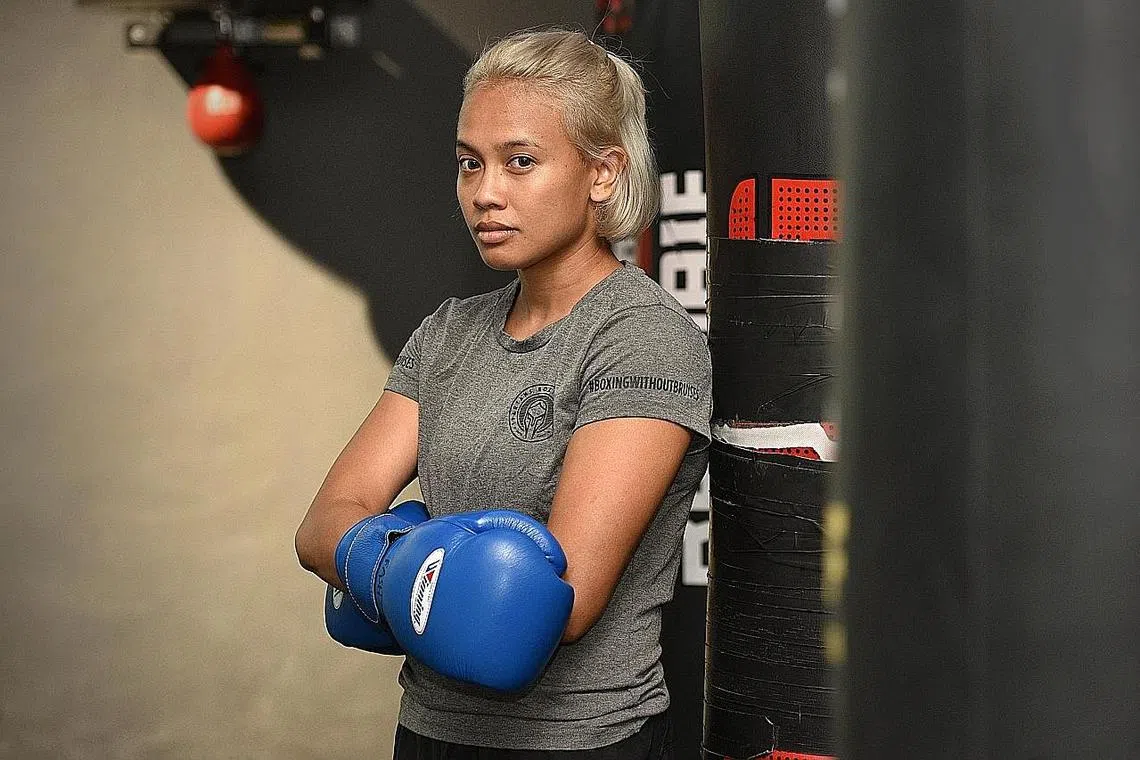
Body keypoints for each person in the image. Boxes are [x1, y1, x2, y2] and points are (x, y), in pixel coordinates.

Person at [295, 28, 712, 760]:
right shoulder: (449, 333)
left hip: (581, 743)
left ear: (603, 173)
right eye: (470, 163)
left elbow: (554, 605)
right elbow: (321, 525)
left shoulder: (642, 338)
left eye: (521, 161)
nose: (485, 193)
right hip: (427, 733)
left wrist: (382, 561)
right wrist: (424, 568)